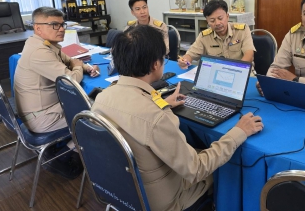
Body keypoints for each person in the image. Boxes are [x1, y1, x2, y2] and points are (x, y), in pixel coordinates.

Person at [92, 25, 263, 211]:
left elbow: (135, 112)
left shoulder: (102, 97)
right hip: (161, 201)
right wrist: (239, 131)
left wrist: (161, 103)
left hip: (121, 188)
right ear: (155, 65)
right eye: (163, 58)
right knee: (227, 166)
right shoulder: (157, 118)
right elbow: (196, 169)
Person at [14, 7, 99, 177]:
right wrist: (77, 68)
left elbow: (69, 60)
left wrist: (86, 67)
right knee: (100, 116)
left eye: (62, 24)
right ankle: (63, 154)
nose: (61, 29)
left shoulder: (42, 43)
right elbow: (71, 79)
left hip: (44, 109)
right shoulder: (39, 52)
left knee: (90, 101)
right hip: (41, 117)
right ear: (38, 28)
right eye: (54, 25)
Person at [178, 0, 255, 69]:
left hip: (242, 72)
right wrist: (184, 61)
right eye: (212, 20)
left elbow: (249, 55)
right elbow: (190, 55)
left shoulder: (242, 30)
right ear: (207, 21)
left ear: (227, 16)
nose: (217, 23)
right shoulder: (204, 36)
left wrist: (234, 70)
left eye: (220, 18)